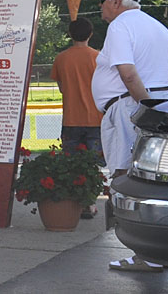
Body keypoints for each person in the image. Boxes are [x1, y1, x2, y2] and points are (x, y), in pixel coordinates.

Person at [90, 0, 168, 272]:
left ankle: (144, 254)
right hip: (159, 103)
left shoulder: (120, 26)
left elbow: (128, 74)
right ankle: (156, 253)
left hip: (130, 107)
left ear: (117, 1)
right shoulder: (156, 26)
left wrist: (145, 107)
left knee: (124, 179)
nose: (100, 6)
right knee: (152, 180)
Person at [50, 16, 103, 219]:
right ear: (91, 34)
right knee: (92, 165)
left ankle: (75, 203)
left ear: (70, 35)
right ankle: (89, 203)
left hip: (71, 119)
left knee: (72, 164)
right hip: (95, 119)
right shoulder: (98, 58)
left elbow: (62, 88)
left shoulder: (61, 58)